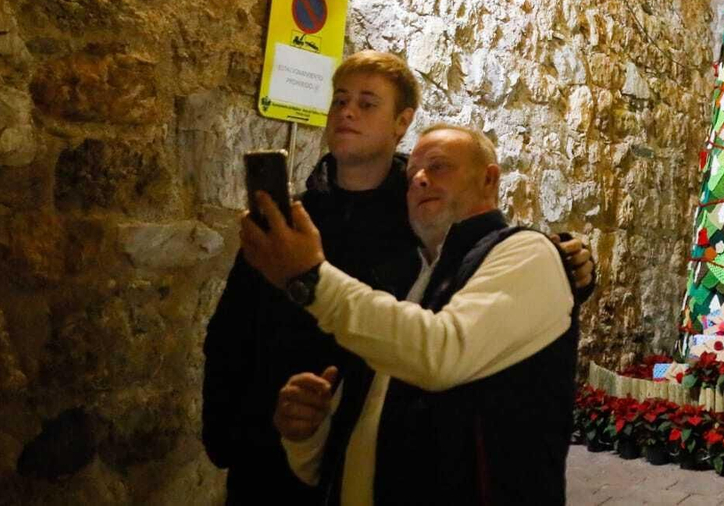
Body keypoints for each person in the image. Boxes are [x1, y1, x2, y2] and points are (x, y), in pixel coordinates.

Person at [202, 52, 593, 504]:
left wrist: (568, 261)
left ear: (400, 122)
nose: (347, 112)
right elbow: (232, 331)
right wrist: (249, 436)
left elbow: (463, 315)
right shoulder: (303, 220)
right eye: (340, 101)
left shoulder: (424, 232)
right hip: (286, 449)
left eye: (367, 103)